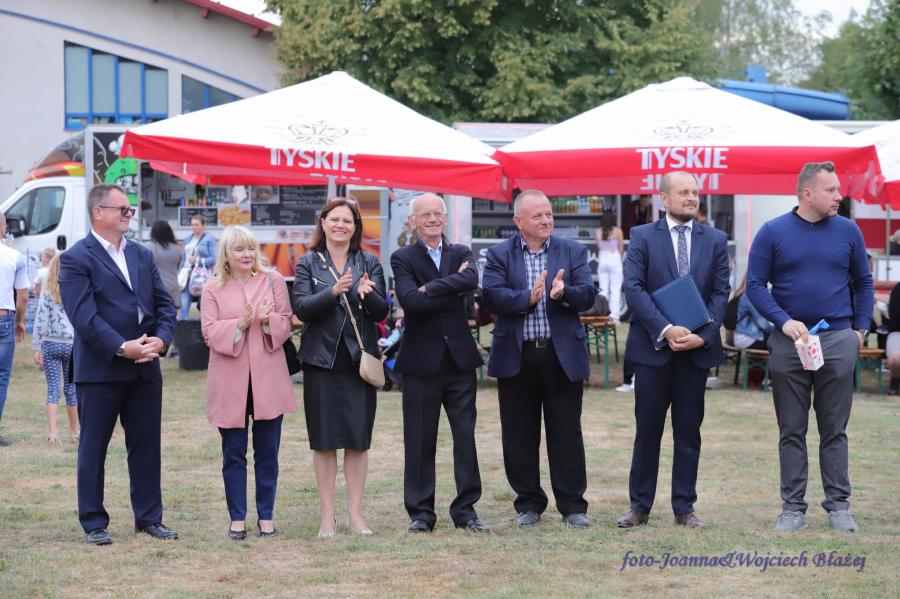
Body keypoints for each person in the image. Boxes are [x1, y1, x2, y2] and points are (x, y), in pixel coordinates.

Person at [747, 161, 873, 534]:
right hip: (791, 342)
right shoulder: (772, 232)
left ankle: (839, 506)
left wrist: (860, 331)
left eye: (838, 189)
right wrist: (783, 321)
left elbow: (864, 282)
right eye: (831, 190)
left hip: (837, 340)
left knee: (834, 429)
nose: (839, 196)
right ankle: (792, 509)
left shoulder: (849, 231)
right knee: (791, 429)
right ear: (807, 193)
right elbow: (755, 285)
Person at [59, 184, 177, 545]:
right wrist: (123, 347)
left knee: (146, 446)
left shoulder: (141, 254)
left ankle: (149, 518)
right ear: (98, 212)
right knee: (93, 448)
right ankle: (94, 522)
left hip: (145, 367)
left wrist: (161, 339)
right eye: (122, 209)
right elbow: (84, 316)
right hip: (100, 369)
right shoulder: (76, 258)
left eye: (130, 210)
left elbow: (164, 304)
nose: (129, 215)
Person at [618, 171, 730, 530]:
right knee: (647, 432)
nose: (691, 198)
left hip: (695, 353)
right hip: (653, 350)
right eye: (683, 192)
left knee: (688, 433)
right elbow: (633, 288)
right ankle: (639, 507)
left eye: (695, 192)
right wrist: (666, 329)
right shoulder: (642, 236)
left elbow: (721, 293)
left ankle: (685, 507)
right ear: (663, 199)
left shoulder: (715, 239)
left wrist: (704, 336)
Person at [482, 189, 596, 529]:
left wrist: (564, 292)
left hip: (561, 357)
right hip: (517, 357)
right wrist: (527, 298)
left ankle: (572, 505)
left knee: (566, 434)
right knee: (518, 435)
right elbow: (491, 297)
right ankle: (529, 503)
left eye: (548, 214)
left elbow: (588, 295)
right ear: (519, 221)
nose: (546, 220)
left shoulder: (572, 251)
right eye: (538, 216)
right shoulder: (499, 254)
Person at [390, 193, 488, 534]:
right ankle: (421, 512)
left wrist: (428, 288)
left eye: (437, 213)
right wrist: (448, 288)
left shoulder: (461, 252)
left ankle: (466, 511)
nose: (432, 219)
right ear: (413, 221)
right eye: (425, 214)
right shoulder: (402, 257)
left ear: (445, 218)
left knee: (465, 437)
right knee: (419, 439)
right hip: (421, 362)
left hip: (459, 361)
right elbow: (409, 301)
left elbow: (471, 281)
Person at [293, 197, 388, 537]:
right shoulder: (307, 262)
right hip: (321, 361)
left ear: (355, 227)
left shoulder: (369, 261)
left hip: (358, 363)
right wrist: (333, 291)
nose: (340, 225)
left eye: (347, 220)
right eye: (334, 219)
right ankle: (327, 517)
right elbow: (301, 308)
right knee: (323, 442)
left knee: (358, 441)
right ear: (323, 223)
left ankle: (356, 515)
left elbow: (382, 311)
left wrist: (367, 294)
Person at [201, 226, 295, 540]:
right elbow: (209, 332)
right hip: (229, 382)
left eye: (250, 248)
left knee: (268, 452)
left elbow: (286, 324)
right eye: (239, 249)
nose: (246, 255)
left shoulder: (273, 280)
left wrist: (268, 321)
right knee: (233, 452)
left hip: (268, 380)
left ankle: (266, 516)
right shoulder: (212, 288)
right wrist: (239, 325)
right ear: (226, 255)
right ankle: (237, 518)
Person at [31, 254, 79, 445]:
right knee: (71, 390)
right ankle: (75, 433)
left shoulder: (47, 292)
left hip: (50, 344)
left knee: (53, 389)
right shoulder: (75, 291)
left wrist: (36, 346)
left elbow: (40, 320)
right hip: (71, 345)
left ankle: (53, 433)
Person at [0, 212, 29, 447]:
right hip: (4, 317)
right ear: (3, 229)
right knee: (1, 377)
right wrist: (19, 321)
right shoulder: (15, 257)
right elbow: (23, 298)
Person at [179, 215, 216, 319]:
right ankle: (183, 327)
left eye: (196, 225)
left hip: (202, 276)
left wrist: (197, 260)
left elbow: (213, 259)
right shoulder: (187, 239)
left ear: (203, 225)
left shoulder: (209, 239)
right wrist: (180, 273)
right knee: (184, 304)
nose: (194, 227)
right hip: (187, 275)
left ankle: (204, 327)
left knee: (204, 306)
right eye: (192, 225)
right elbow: (184, 259)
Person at [146, 221, 183, 314]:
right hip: (174, 288)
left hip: (157, 290)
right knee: (172, 318)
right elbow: (180, 266)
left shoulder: (149, 247)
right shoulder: (178, 249)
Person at [595, 213, 625, 322]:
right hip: (614, 258)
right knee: (615, 289)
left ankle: (602, 315)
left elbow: (599, 247)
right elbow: (621, 247)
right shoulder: (618, 231)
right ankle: (614, 317)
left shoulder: (598, 231)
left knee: (603, 289)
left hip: (603, 259)